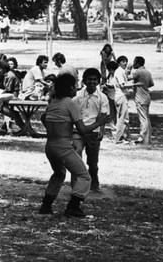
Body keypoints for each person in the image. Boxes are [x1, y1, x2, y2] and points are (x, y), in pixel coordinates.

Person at [39, 74, 106, 218]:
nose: (76, 87)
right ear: (70, 87)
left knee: (58, 174)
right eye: (75, 84)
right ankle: (73, 207)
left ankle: (46, 206)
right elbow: (82, 129)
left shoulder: (53, 102)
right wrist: (99, 123)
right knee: (84, 176)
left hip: (50, 146)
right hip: (63, 146)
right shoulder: (70, 103)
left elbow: (43, 117)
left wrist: (59, 128)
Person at [72, 68, 109, 192]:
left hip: (93, 132)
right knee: (76, 157)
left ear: (98, 81)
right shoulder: (77, 96)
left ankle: (94, 185)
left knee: (93, 162)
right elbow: (72, 113)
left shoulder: (102, 97)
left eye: (94, 80)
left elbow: (103, 116)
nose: (92, 82)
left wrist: (101, 131)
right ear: (84, 81)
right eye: (89, 79)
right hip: (78, 131)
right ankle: (75, 185)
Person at [129, 56, 154, 145]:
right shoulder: (147, 72)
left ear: (138, 63)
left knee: (143, 119)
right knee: (147, 118)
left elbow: (127, 78)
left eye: (134, 62)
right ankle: (148, 139)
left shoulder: (138, 72)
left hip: (140, 98)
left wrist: (128, 69)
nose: (133, 63)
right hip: (147, 96)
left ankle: (142, 137)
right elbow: (151, 84)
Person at [113, 55, 132, 144]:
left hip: (121, 96)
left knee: (125, 117)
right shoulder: (119, 72)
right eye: (123, 61)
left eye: (126, 61)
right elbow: (122, 85)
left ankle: (125, 137)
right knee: (122, 118)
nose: (125, 63)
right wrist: (136, 85)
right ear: (119, 63)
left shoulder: (122, 71)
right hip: (121, 96)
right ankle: (118, 138)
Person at [104, 61, 118, 138]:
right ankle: (113, 129)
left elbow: (114, 85)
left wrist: (107, 86)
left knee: (117, 113)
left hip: (116, 96)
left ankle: (117, 130)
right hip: (110, 95)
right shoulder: (109, 76)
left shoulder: (116, 75)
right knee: (111, 114)